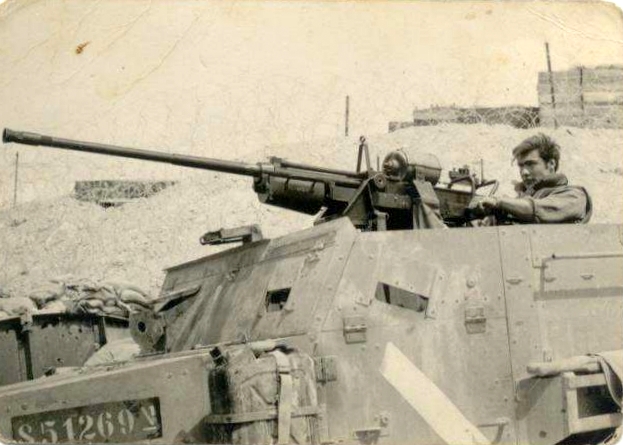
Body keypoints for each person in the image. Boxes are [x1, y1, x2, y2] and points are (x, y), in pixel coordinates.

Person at [472, 133, 591, 224]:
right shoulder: (521, 199)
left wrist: (499, 202)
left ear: (551, 164)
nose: (524, 172)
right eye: (521, 166)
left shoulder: (574, 196)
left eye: (530, 164)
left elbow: (537, 209)